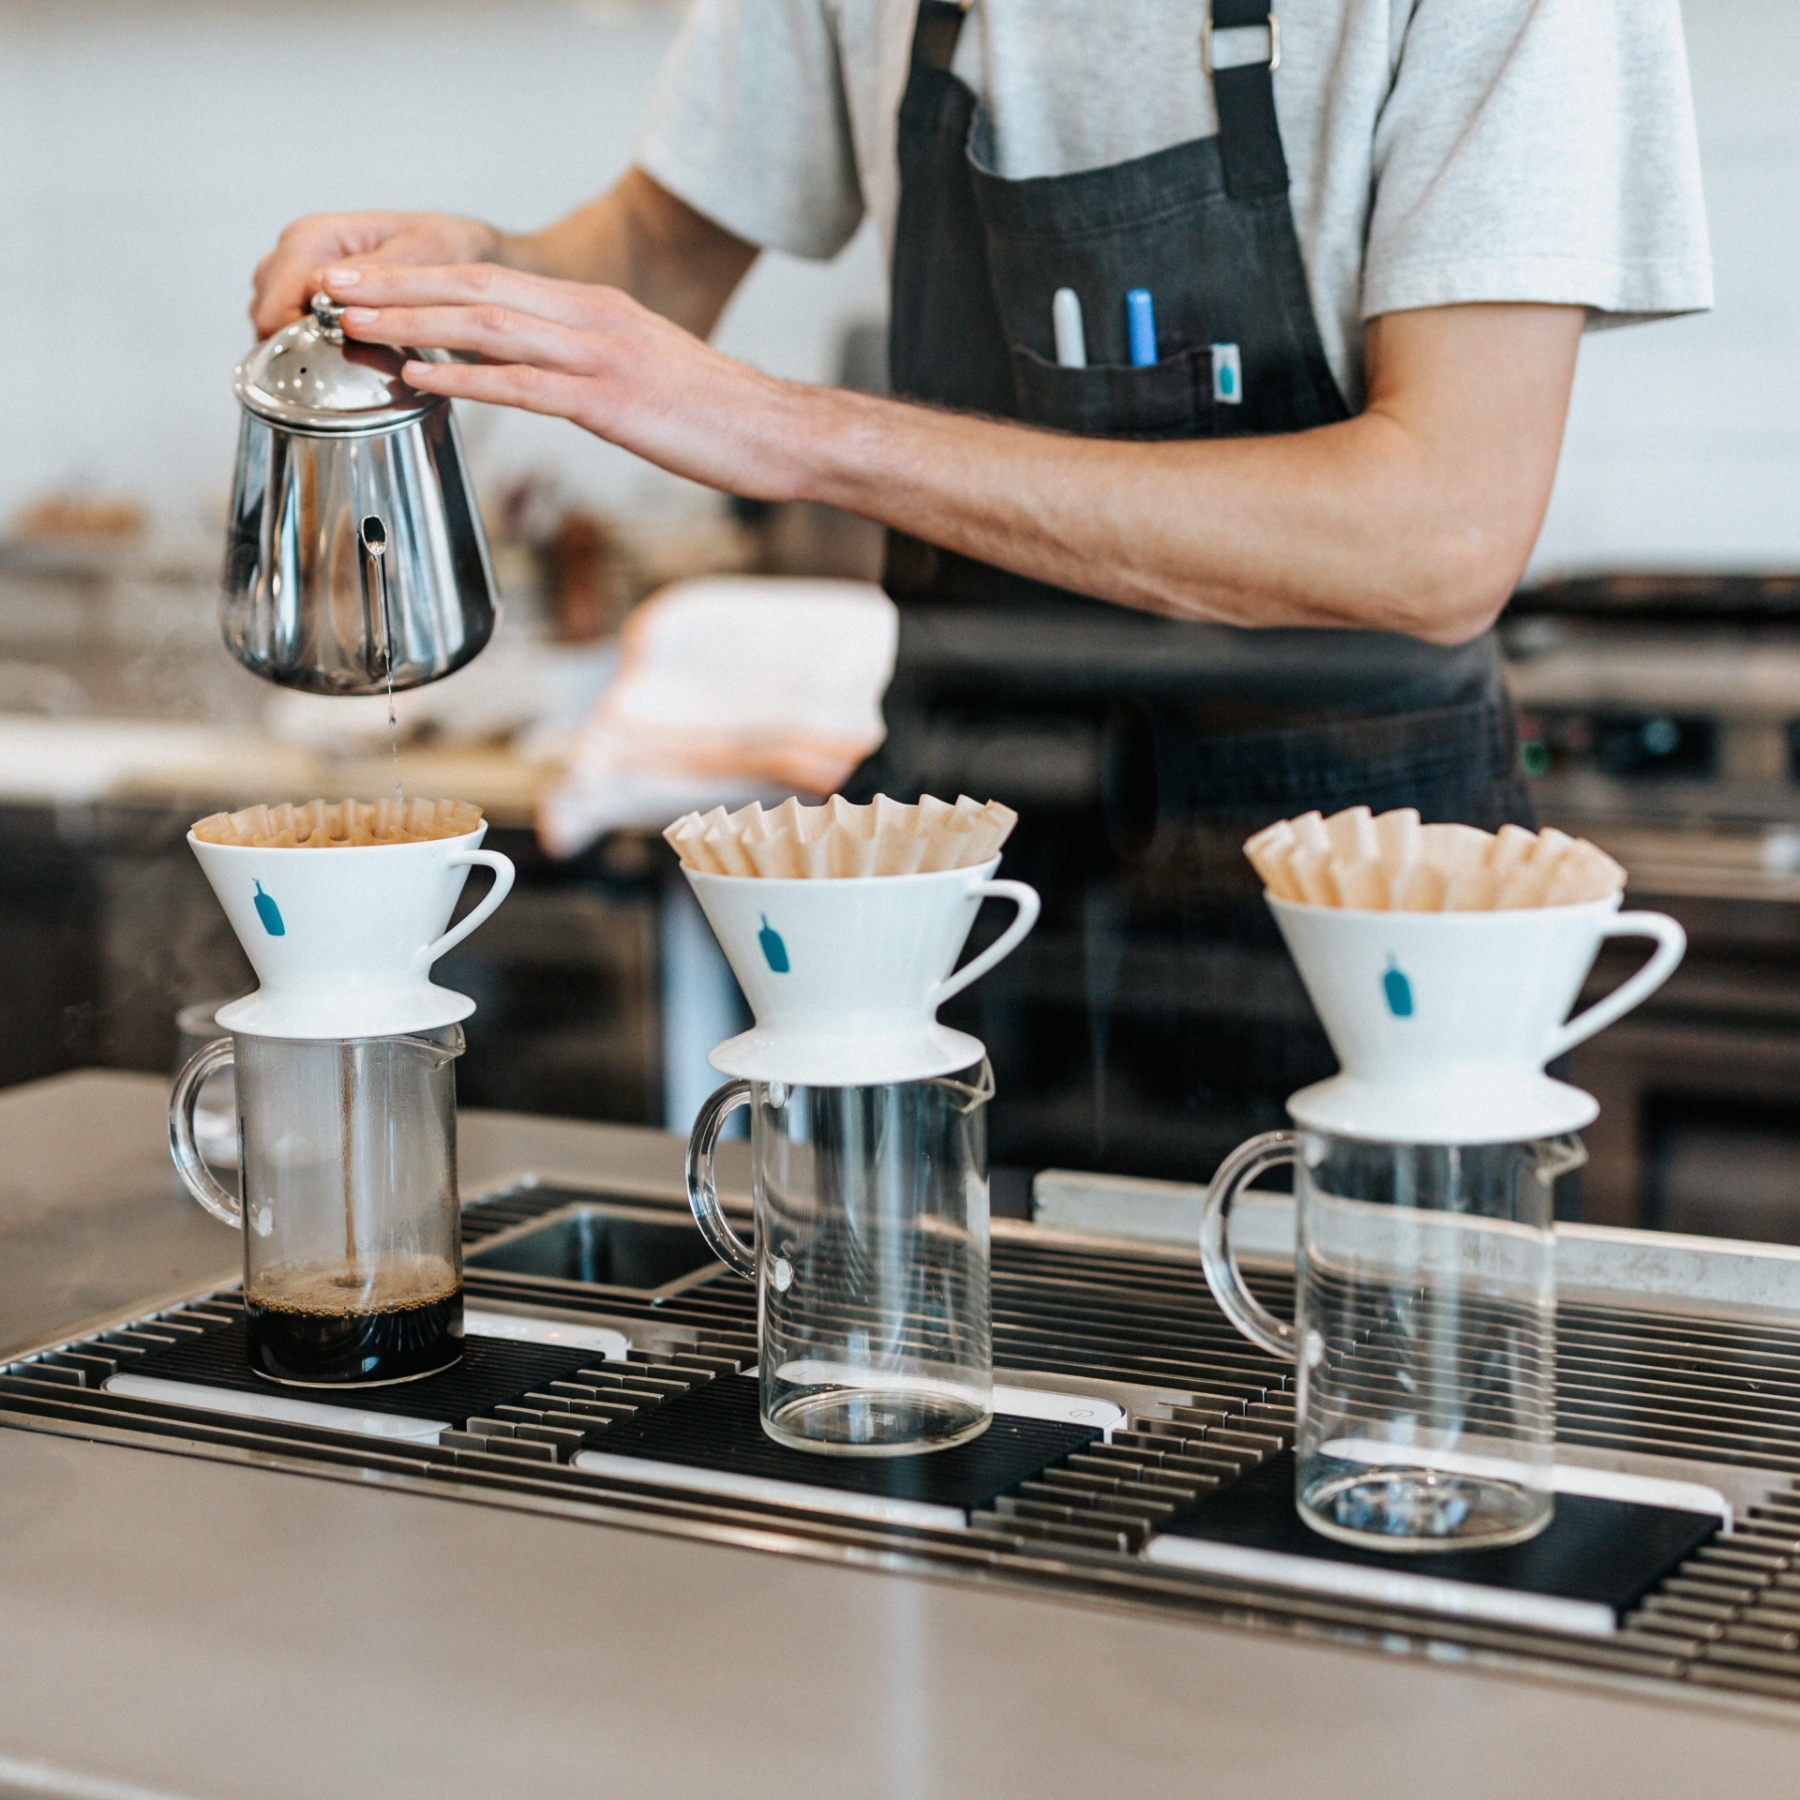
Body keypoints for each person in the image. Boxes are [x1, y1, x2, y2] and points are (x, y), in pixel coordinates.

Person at [252, 0, 1710, 1181]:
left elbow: (1438, 540)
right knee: (921, 1416)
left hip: (1358, 912)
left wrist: (794, 431)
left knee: (1348, 1464)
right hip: (956, 887)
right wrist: (477, 271)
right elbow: (659, 249)